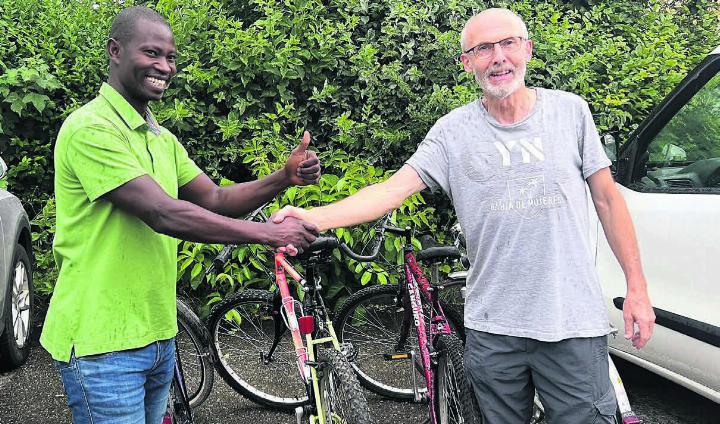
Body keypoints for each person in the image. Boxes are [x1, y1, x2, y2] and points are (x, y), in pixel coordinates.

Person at [273, 8, 655, 424]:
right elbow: (389, 192)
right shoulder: (452, 133)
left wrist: (636, 286)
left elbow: (608, 201)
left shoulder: (570, 113)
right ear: (467, 62)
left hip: (572, 324)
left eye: (508, 43)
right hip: (493, 330)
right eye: (483, 48)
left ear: (527, 49)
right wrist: (313, 217)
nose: (498, 57)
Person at [40, 6, 319, 423]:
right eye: (152, 53)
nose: (164, 67)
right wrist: (269, 234)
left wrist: (283, 176)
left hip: (157, 334)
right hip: (103, 343)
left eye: (170, 58)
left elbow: (216, 199)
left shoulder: (161, 138)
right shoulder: (90, 129)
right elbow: (162, 212)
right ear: (115, 50)